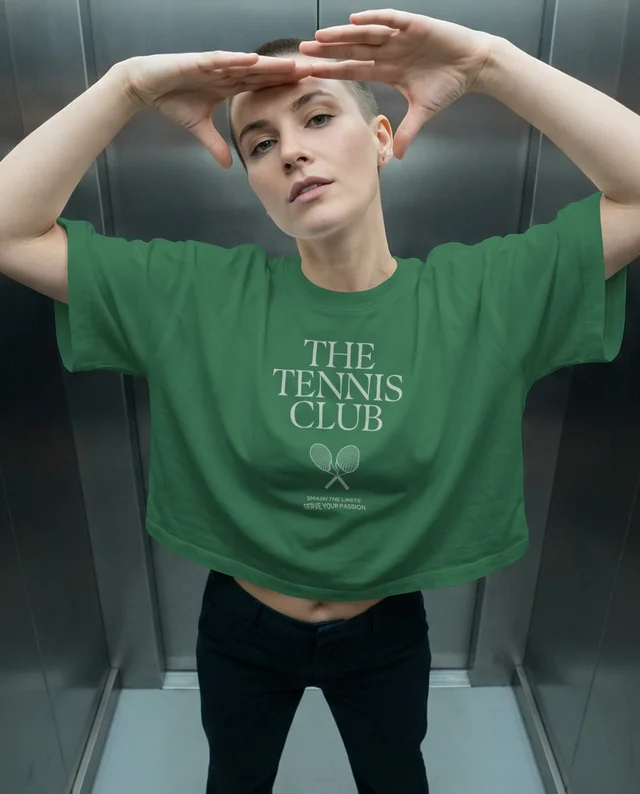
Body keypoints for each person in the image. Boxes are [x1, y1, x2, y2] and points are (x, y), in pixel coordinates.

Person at [0, 8, 639, 794]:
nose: (291, 150)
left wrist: (490, 62)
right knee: (234, 782)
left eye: (318, 116)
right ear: (256, 181)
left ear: (379, 137)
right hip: (240, 627)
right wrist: (125, 85)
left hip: (385, 631)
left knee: (394, 781)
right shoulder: (197, 297)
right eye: (261, 144)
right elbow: (9, 231)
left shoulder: (482, 298)